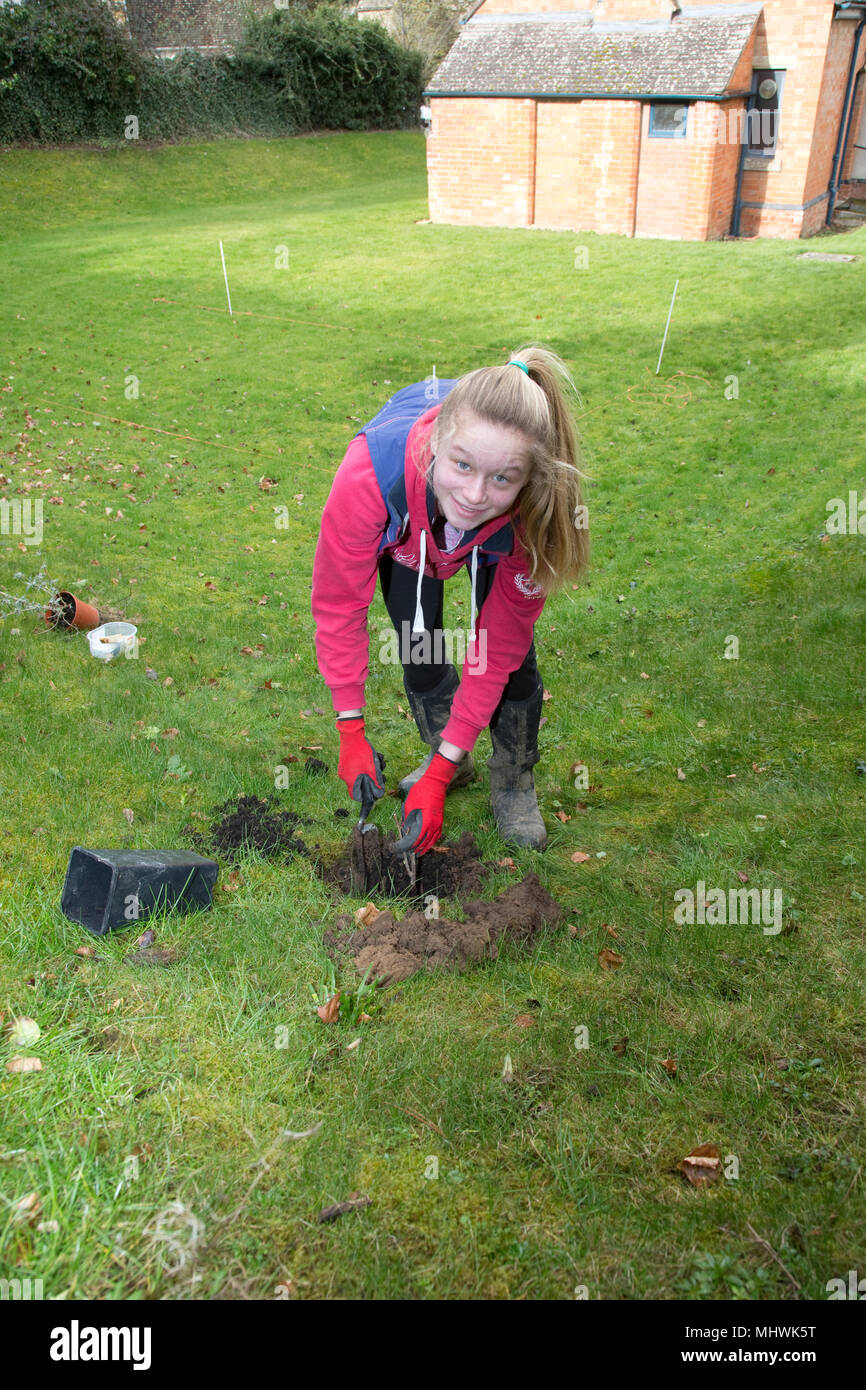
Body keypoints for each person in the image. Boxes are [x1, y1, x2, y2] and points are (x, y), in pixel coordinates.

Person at [311, 343, 589, 856]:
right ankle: (452, 757)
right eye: (462, 465)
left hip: (497, 541)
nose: (476, 494)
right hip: (410, 525)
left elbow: (498, 648)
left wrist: (429, 781)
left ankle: (512, 778)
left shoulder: (534, 515)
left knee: (515, 666)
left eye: (502, 477)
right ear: (438, 439)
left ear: (529, 479)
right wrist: (350, 729)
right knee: (419, 644)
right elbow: (338, 606)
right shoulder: (369, 476)